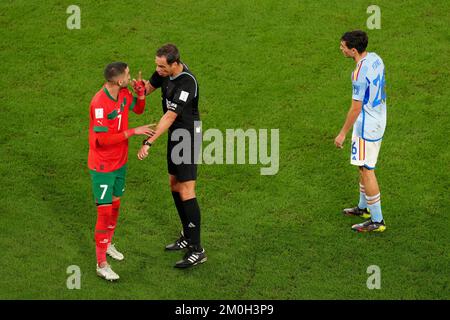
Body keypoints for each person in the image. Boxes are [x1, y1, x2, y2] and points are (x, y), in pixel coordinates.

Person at [138, 44, 207, 268]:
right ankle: (187, 234)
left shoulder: (187, 82)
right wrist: (140, 89)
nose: (157, 70)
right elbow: (148, 88)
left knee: (187, 189)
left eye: (161, 66)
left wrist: (149, 141)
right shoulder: (162, 72)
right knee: (174, 185)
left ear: (174, 63)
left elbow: (169, 116)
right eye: (156, 65)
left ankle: (197, 249)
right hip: (176, 135)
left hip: (187, 136)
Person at [88, 62, 155, 280]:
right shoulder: (99, 103)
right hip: (103, 166)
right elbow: (101, 140)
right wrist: (133, 131)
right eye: (127, 74)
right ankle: (101, 264)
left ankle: (107, 243)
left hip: (120, 163)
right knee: (104, 211)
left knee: (115, 206)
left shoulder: (124, 93)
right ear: (118, 80)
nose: (130, 76)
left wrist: (141, 93)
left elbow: (138, 108)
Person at [335, 30, 387, 232]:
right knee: (361, 166)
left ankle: (377, 220)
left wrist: (342, 133)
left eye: (343, 46)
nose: (341, 48)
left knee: (367, 169)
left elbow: (356, 108)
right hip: (379, 117)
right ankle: (363, 207)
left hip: (367, 125)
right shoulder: (376, 59)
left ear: (353, 50)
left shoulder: (358, 74)